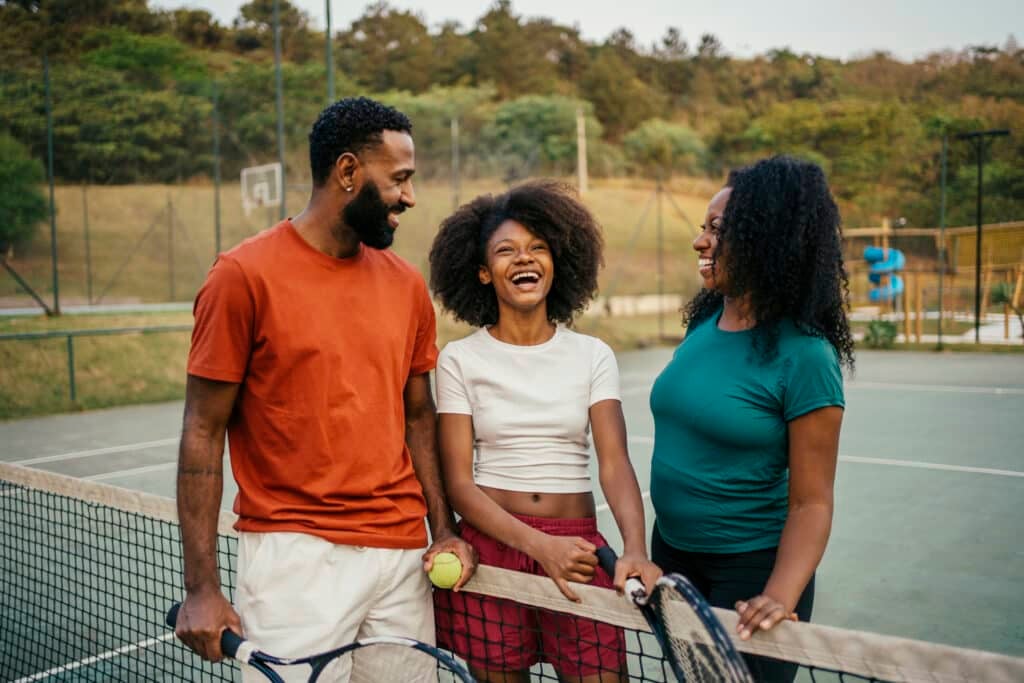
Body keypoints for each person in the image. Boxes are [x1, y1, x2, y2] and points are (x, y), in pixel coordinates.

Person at [173, 96, 476, 682]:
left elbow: (419, 415)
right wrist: (201, 588)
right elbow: (202, 430)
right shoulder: (241, 276)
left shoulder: (407, 286)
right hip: (296, 565)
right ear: (347, 172)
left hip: (401, 559)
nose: (409, 198)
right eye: (400, 179)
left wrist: (444, 531)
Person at [428, 180, 662, 682]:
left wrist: (636, 549)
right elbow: (460, 485)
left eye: (537, 248)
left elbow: (614, 462)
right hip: (492, 551)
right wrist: (538, 547)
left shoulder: (593, 355)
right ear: (483, 273)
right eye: (506, 251)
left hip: (578, 551)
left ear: (558, 264)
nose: (524, 259)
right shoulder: (460, 360)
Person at [648, 155, 854, 681]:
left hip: (751, 573)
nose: (700, 242)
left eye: (718, 230)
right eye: (703, 228)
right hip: (673, 558)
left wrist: (779, 595)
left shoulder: (806, 356)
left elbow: (812, 502)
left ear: (768, 240)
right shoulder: (704, 322)